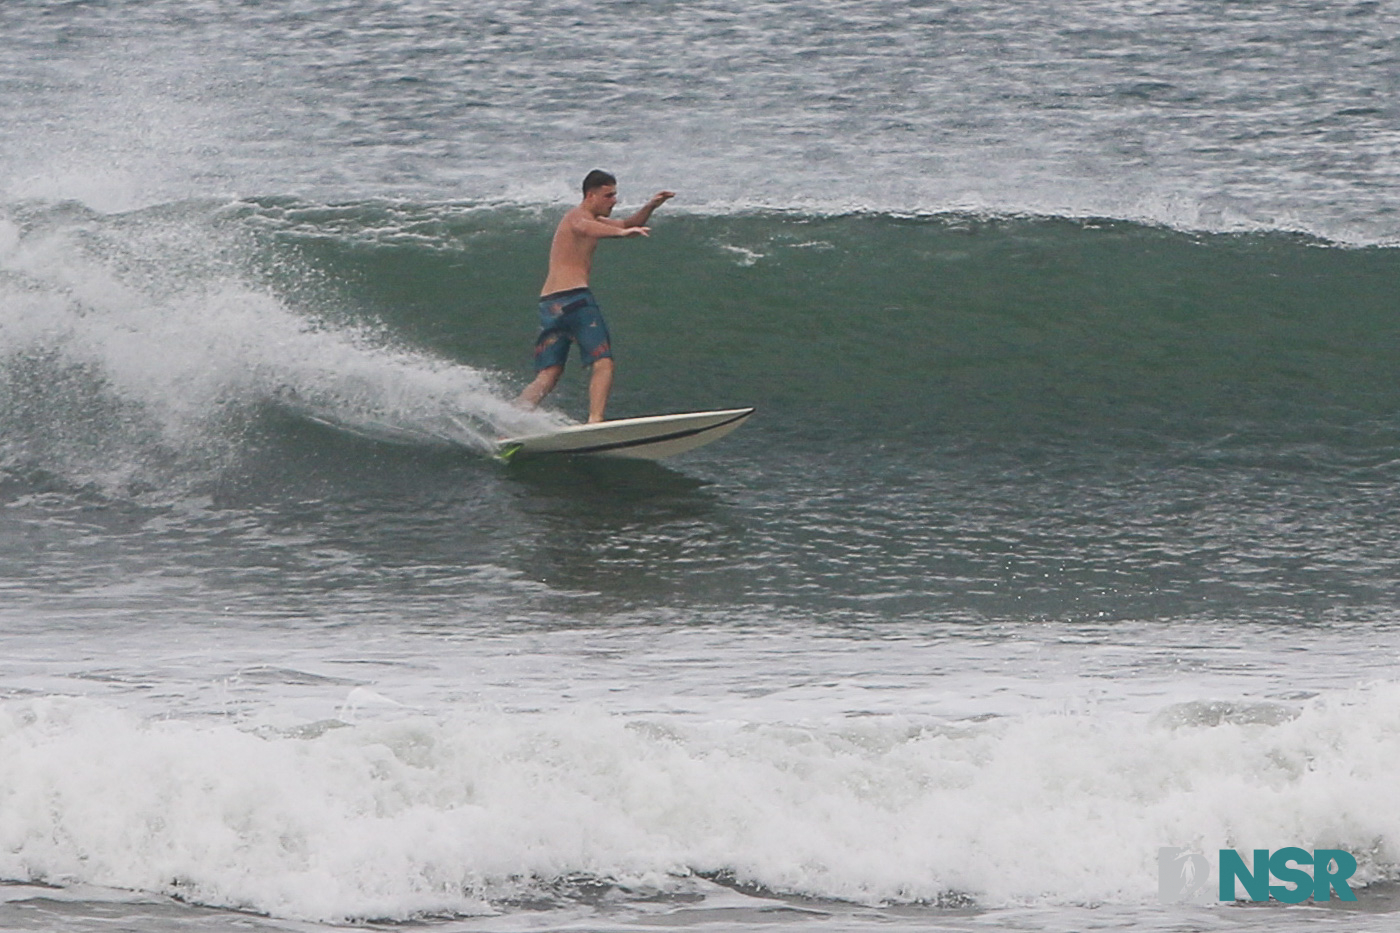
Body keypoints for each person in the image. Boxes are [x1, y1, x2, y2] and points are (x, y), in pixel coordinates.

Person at [515, 170, 674, 423]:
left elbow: (627, 224)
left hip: (550, 305)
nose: (614, 201)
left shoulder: (589, 218)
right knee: (603, 362)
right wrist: (621, 234)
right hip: (575, 300)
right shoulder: (577, 217)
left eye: (615, 195)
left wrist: (651, 206)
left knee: (550, 372)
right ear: (591, 195)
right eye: (608, 195)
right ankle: (595, 420)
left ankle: (513, 419)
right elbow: (586, 227)